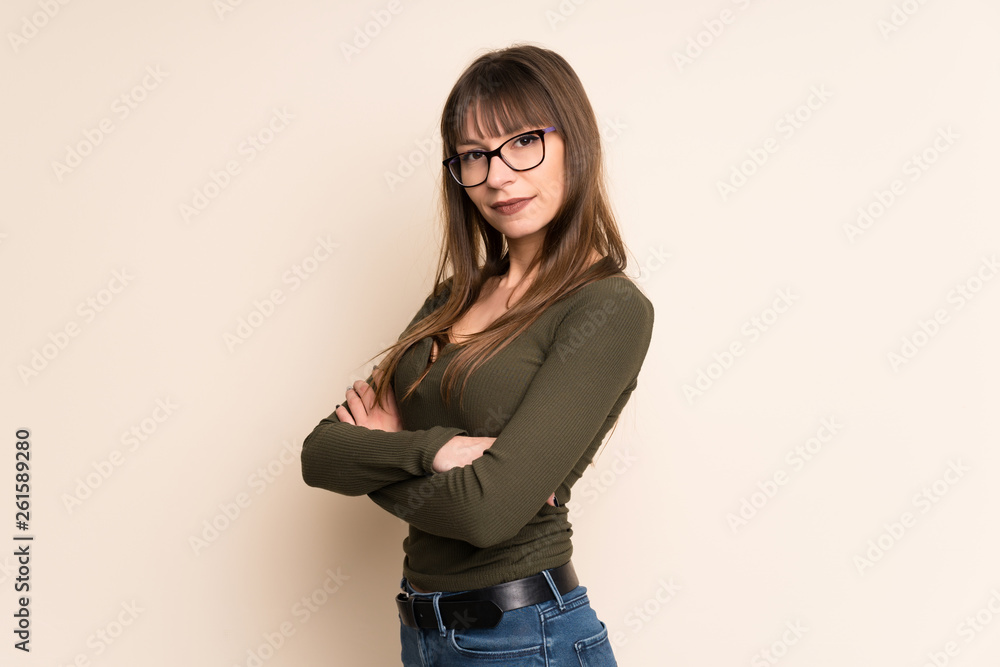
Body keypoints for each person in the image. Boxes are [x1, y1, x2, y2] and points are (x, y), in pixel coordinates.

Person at [300, 43, 654, 666]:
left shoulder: (607, 309)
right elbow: (321, 454)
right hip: (423, 630)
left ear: (576, 142)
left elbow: (487, 514)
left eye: (522, 143)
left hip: (524, 636)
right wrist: (430, 452)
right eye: (473, 156)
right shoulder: (452, 298)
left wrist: (375, 464)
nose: (496, 175)